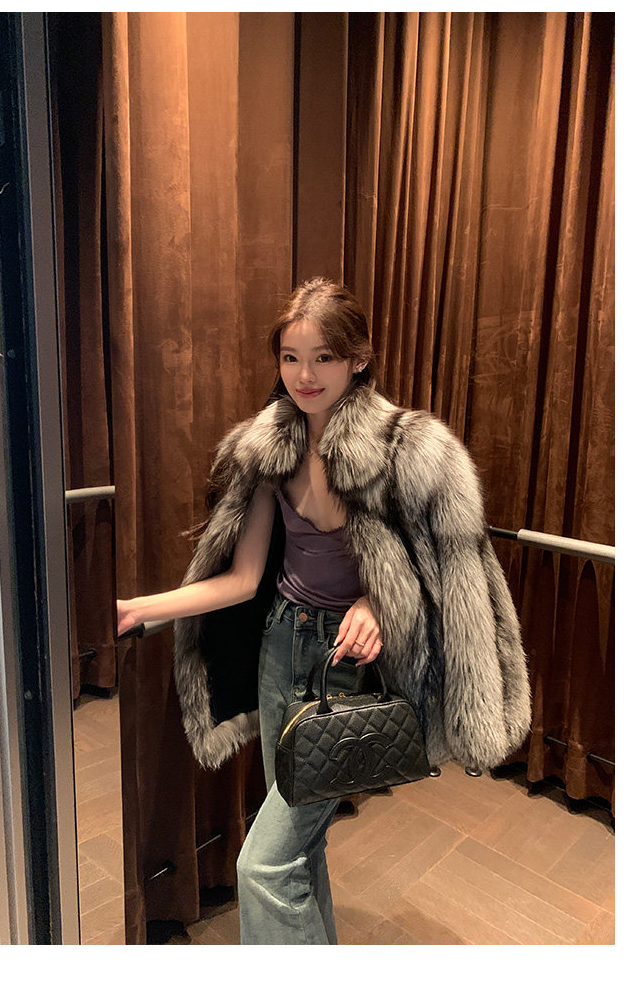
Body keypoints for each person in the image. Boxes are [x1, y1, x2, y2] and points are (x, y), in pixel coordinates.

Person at [116, 277, 531, 945]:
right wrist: (141, 607)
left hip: (349, 665)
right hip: (281, 646)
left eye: (323, 357)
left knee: (263, 865)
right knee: (298, 850)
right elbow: (244, 577)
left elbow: (456, 580)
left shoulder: (411, 449)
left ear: (359, 359)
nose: (304, 375)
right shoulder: (269, 447)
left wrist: (380, 600)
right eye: (290, 357)